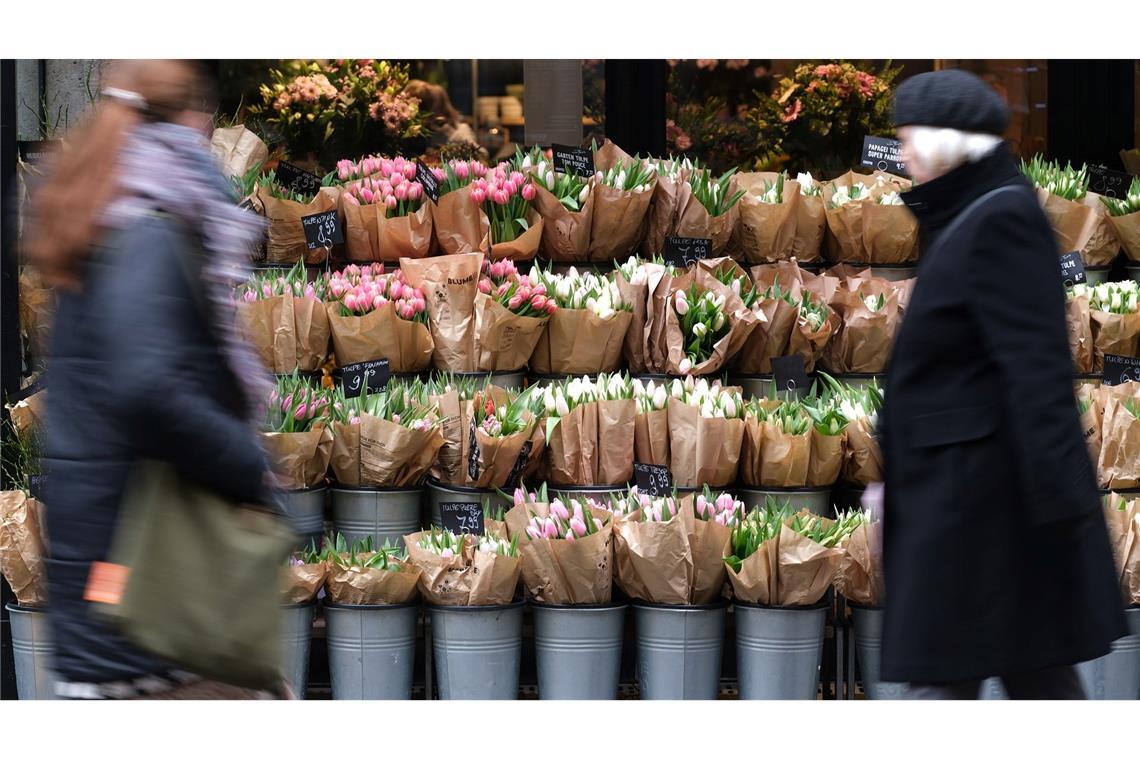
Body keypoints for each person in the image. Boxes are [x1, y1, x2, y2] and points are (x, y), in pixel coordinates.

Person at [26, 60, 278, 699]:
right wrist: (247, 464)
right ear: (192, 118)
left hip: (109, 581)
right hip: (154, 596)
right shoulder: (153, 228)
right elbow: (149, 388)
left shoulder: (99, 209)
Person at [878, 69, 1127, 699]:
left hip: (986, 511)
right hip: (972, 505)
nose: (901, 156)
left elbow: (1036, 370)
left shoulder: (999, 217)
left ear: (943, 142)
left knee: (976, 678)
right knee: (1026, 673)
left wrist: (1063, 507)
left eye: (909, 139)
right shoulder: (971, 212)